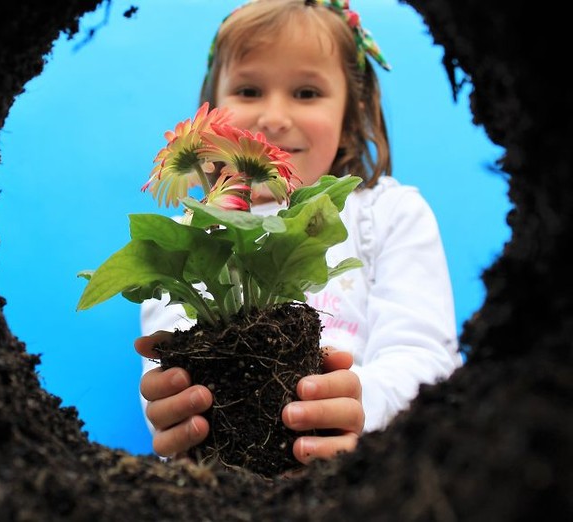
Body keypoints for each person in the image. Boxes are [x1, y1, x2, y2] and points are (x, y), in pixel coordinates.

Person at [134, 0, 462, 466]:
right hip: (227, 475)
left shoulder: (389, 214)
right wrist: (168, 408)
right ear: (211, 121)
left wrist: (362, 407)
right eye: (248, 90)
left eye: (306, 93)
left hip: (365, 470)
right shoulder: (185, 237)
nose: (273, 116)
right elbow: (170, 361)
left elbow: (424, 357)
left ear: (351, 118)